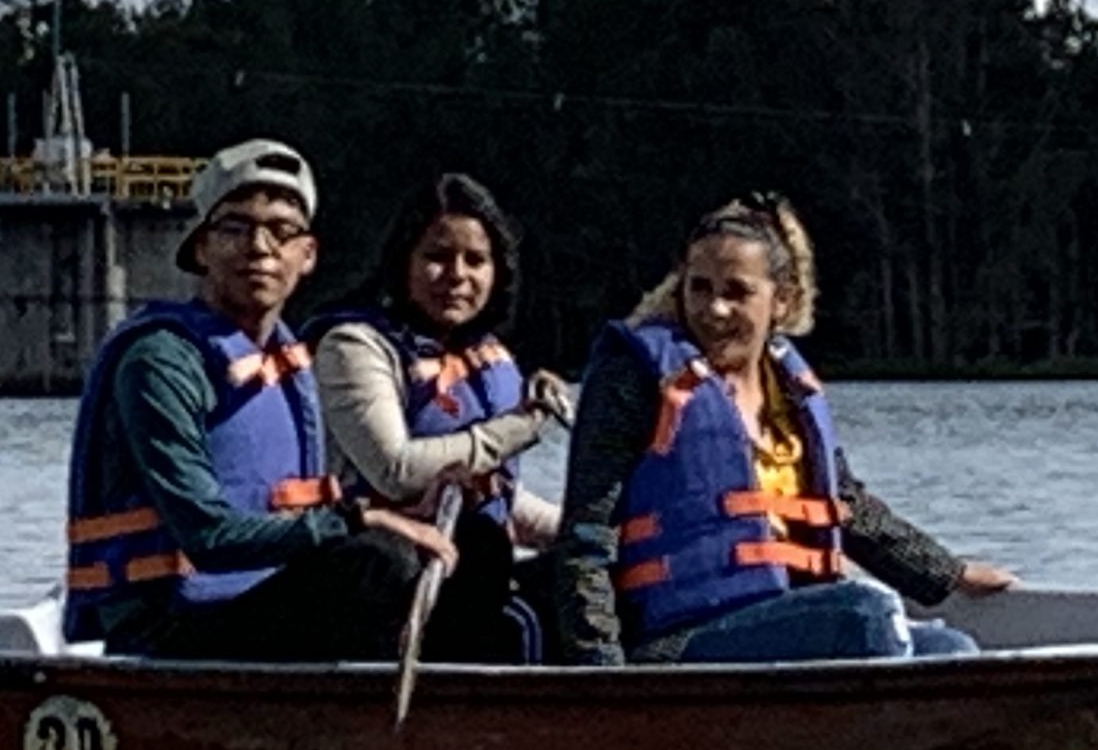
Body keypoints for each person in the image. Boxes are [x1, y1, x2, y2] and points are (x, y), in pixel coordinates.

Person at [553, 192, 1015, 666]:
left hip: (792, 621)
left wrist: (948, 573)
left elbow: (847, 507)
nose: (714, 309)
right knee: (866, 615)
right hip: (678, 643)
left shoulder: (790, 389)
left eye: (736, 292)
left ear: (782, 300)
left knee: (954, 650)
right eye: (700, 288)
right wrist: (603, 673)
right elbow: (586, 538)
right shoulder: (634, 379)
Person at [63, 138, 456, 660]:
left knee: (460, 550)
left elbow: (305, 511)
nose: (260, 247)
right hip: (171, 625)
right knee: (378, 562)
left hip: (258, 599)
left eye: (282, 231)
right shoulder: (160, 361)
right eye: (235, 228)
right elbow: (206, 536)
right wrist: (359, 520)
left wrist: (403, 508)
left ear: (307, 255)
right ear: (201, 249)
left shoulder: (286, 357)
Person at [308, 172, 569, 664]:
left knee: (582, 570)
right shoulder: (352, 347)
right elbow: (397, 471)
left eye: (476, 260)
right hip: (388, 573)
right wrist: (521, 426)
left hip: (477, 562)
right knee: (481, 558)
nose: (457, 275)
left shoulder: (491, 358)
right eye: (437, 257)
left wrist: (585, 529)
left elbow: (499, 498)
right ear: (404, 262)